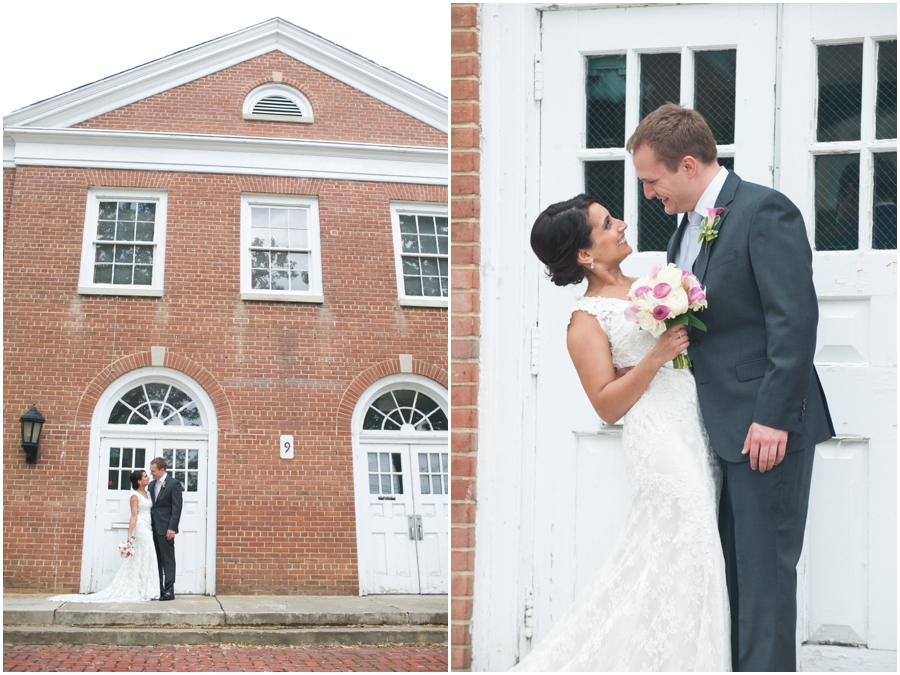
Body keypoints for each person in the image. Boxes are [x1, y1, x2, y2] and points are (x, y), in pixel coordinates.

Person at [627, 103, 834, 672]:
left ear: (688, 165)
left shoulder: (765, 211)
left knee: (764, 577)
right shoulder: (682, 236)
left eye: (652, 180)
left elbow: (793, 323)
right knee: (731, 576)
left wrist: (772, 417)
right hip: (713, 432)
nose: (648, 194)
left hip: (764, 428)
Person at [514, 194, 731, 671]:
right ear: (585, 255)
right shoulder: (585, 320)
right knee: (691, 539)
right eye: (609, 223)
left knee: (679, 555)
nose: (623, 225)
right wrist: (655, 357)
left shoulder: (657, 284)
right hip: (658, 437)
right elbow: (607, 404)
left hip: (696, 425)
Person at [49, 470, 160, 603]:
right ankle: (144, 589)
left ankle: (147, 588)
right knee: (148, 553)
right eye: (145, 476)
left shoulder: (147, 493)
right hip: (141, 527)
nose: (148, 477)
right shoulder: (134, 496)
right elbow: (134, 515)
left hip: (149, 526)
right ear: (139, 481)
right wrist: (129, 535)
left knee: (146, 556)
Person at [149, 457, 183, 601]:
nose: (151, 473)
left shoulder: (173, 484)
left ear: (162, 470)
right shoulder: (151, 485)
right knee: (156, 559)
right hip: (152, 527)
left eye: (154, 471)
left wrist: (172, 528)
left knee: (168, 559)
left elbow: (177, 508)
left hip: (166, 528)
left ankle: (169, 590)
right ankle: (159, 588)